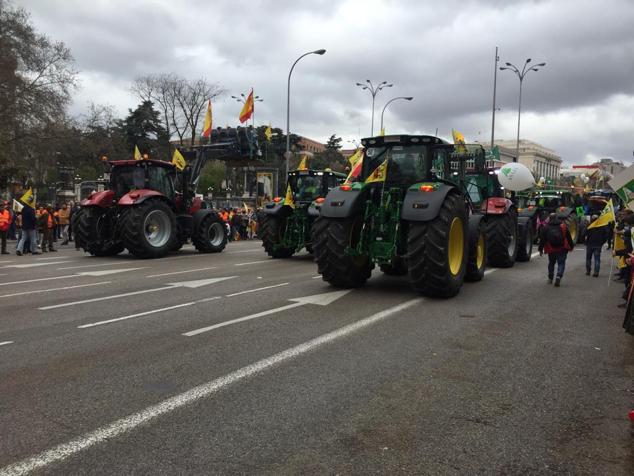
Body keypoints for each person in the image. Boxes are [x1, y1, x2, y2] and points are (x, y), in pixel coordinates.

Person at [538, 213, 574, 287]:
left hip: (551, 249)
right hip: (562, 248)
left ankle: (550, 278)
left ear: (549, 218)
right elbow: (569, 237)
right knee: (561, 263)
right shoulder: (563, 226)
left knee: (551, 263)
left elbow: (542, 240)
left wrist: (540, 249)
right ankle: (558, 276)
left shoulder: (546, 227)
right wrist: (571, 246)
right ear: (557, 218)